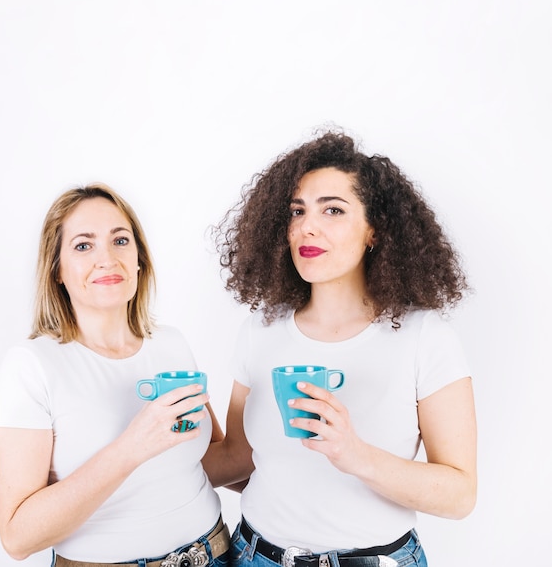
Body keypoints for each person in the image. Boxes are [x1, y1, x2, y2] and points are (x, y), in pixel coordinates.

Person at [203, 129, 477, 567]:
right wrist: (177, 434)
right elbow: (239, 458)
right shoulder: (261, 328)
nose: (307, 226)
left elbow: (461, 495)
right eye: (297, 211)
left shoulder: (424, 337)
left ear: (374, 230)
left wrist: (355, 455)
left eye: (332, 209)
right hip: (255, 556)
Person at [0, 183, 230, 567]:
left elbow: (210, 459)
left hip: (215, 553)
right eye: (83, 246)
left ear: (138, 260)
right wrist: (132, 447)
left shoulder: (171, 344)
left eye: (120, 240)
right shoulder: (30, 366)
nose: (107, 259)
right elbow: (18, 538)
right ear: (58, 271)